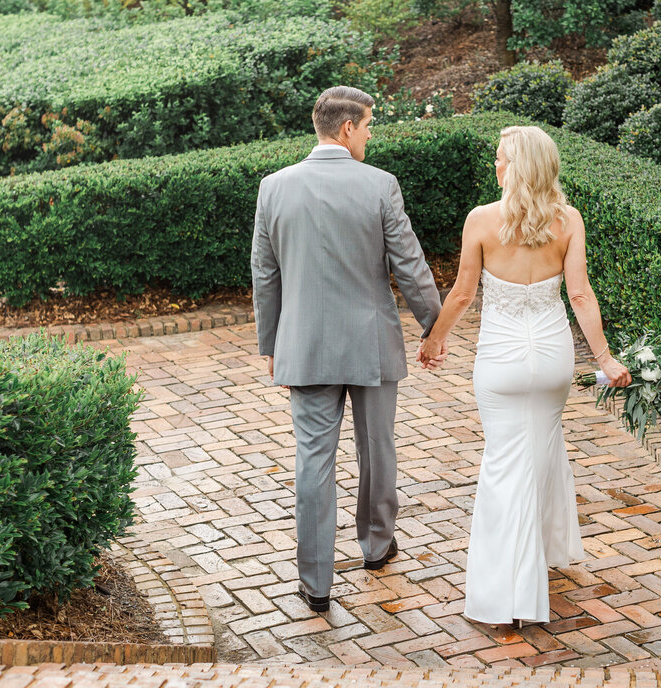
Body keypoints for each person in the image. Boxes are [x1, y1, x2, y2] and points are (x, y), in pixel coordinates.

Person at [417, 125, 631, 626]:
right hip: (553, 358)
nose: (495, 167)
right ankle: (545, 550)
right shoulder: (569, 220)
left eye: (500, 159)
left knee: (503, 464)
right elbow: (579, 295)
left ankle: (505, 591)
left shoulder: (482, 220)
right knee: (541, 447)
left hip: (502, 361)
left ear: (518, 167)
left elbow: (464, 294)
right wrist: (605, 359)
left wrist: (434, 340)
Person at [251, 86, 443, 614]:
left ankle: (315, 583)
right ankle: (377, 546)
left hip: (305, 345)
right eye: (369, 125)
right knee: (377, 447)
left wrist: (271, 342)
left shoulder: (274, 187)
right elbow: (409, 265)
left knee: (313, 458)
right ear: (347, 129)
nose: (371, 134)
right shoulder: (380, 185)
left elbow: (264, 275)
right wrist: (435, 326)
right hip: (371, 344)